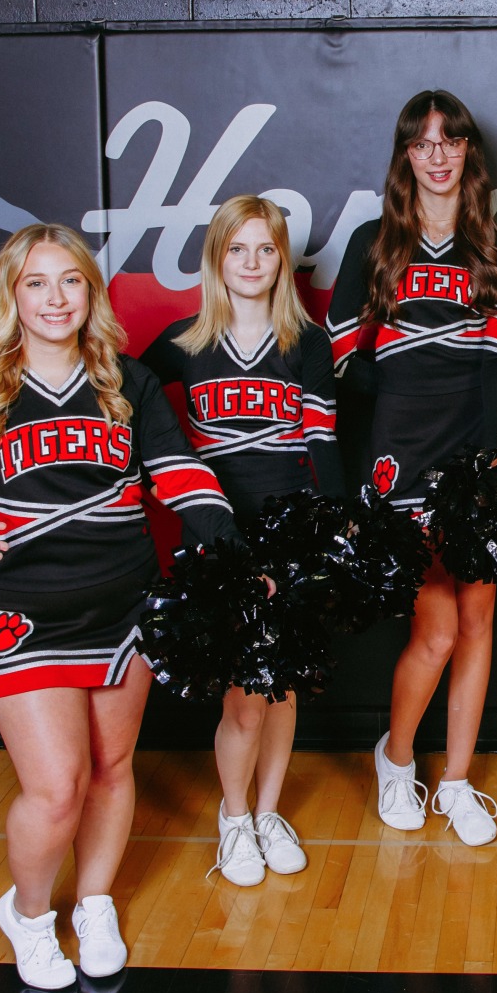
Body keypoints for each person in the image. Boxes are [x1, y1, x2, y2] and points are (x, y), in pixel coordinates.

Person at [0, 224, 238, 989]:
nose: (55, 297)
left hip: (126, 603)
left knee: (113, 768)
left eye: (70, 281)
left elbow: (179, 473)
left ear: (91, 292)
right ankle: (29, 915)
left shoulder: (127, 381)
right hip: (19, 612)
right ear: (11, 295)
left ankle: (93, 902)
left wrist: (234, 548)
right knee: (57, 784)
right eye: (36, 282)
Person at [324, 90, 497, 847]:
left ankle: (456, 780)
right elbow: (343, 355)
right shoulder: (373, 243)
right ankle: (398, 757)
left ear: (468, 152)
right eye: (423, 143)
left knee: (478, 623)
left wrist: (495, 469)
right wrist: (401, 404)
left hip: (472, 454)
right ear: (406, 155)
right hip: (397, 455)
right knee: (435, 629)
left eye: (451, 141)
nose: (437, 156)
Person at [142, 196, 344, 888]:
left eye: (266, 250)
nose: (252, 263)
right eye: (238, 249)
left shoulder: (307, 343)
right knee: (242, 696)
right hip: (217, 538)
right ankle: (233, 819)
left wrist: (339, 527)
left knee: (282, 685)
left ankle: (266, 812)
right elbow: (131, 408)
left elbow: (322, 440)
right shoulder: (182, 342)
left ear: (282, 260)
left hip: (288, 531)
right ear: (216, 258)